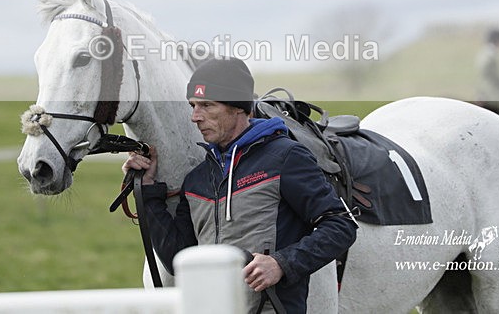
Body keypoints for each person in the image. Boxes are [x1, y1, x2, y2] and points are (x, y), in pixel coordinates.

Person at [123, 57, 357, 313]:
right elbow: (177, 258)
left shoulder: (286, 157)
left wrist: (282, 263)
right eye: (193, 106)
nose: (195, 117)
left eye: (206, 105)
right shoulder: (197, 179)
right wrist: (147, 191)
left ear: (238, 108)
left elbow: (341, 225)